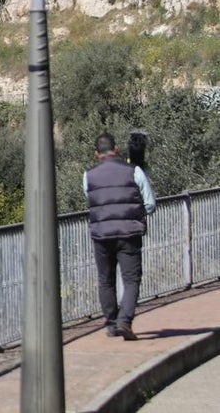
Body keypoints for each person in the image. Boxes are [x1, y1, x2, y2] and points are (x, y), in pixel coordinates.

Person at [83, 132, 156, 340]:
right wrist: (137, 212)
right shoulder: (134, 171)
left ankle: (112, 323)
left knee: (105, 279)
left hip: (101, 234)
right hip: (129, 232)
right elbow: (150, 203)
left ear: (97, 153)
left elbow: (90, 198)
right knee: (131, 279)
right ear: (116, 149)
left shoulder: (89, 175)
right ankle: (125, 321)